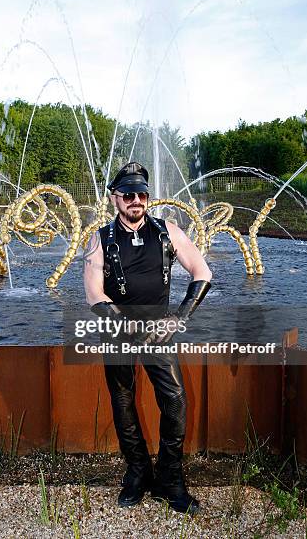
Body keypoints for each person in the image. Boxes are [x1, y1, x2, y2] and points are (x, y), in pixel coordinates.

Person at [83, 162, 212, 514]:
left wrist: (178, 318)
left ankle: (170, 477)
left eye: (141, 194)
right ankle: (138, 471)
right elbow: (94, 293)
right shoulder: (100, 239)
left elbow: (202, 271)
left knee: (175, 401)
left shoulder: (168, 230)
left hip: (159, 333)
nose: (136, 200)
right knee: (123, 402)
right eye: (128, 195)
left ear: (147, 198)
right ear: (115, 199)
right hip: (117, 332)